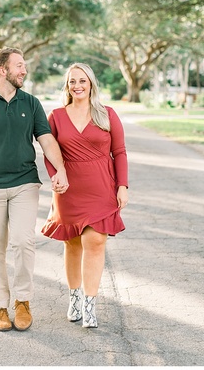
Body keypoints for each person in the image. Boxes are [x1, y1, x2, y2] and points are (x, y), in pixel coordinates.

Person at [0, 47, 69, 332]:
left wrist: (61, 170)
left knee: (22, 242)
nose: (24, 70)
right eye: (19, 65)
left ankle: (22, 302)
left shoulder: (30, 103)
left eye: (24, 65)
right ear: (2, 70)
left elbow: (46, 140)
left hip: (24, 184)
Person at [41, 63, 128, 328]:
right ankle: (74, 298)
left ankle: (90, 306)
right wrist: (56, 176)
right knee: (73, 244)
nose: (77, 86)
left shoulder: (107, 114)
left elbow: (120, 152)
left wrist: (122, 185)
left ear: (91, 84)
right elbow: (48, 152)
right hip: (68, 190)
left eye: (82, 81)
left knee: (96, 242)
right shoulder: (55, 116)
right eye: (72, 82)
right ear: (66, 86)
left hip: (102, 187)